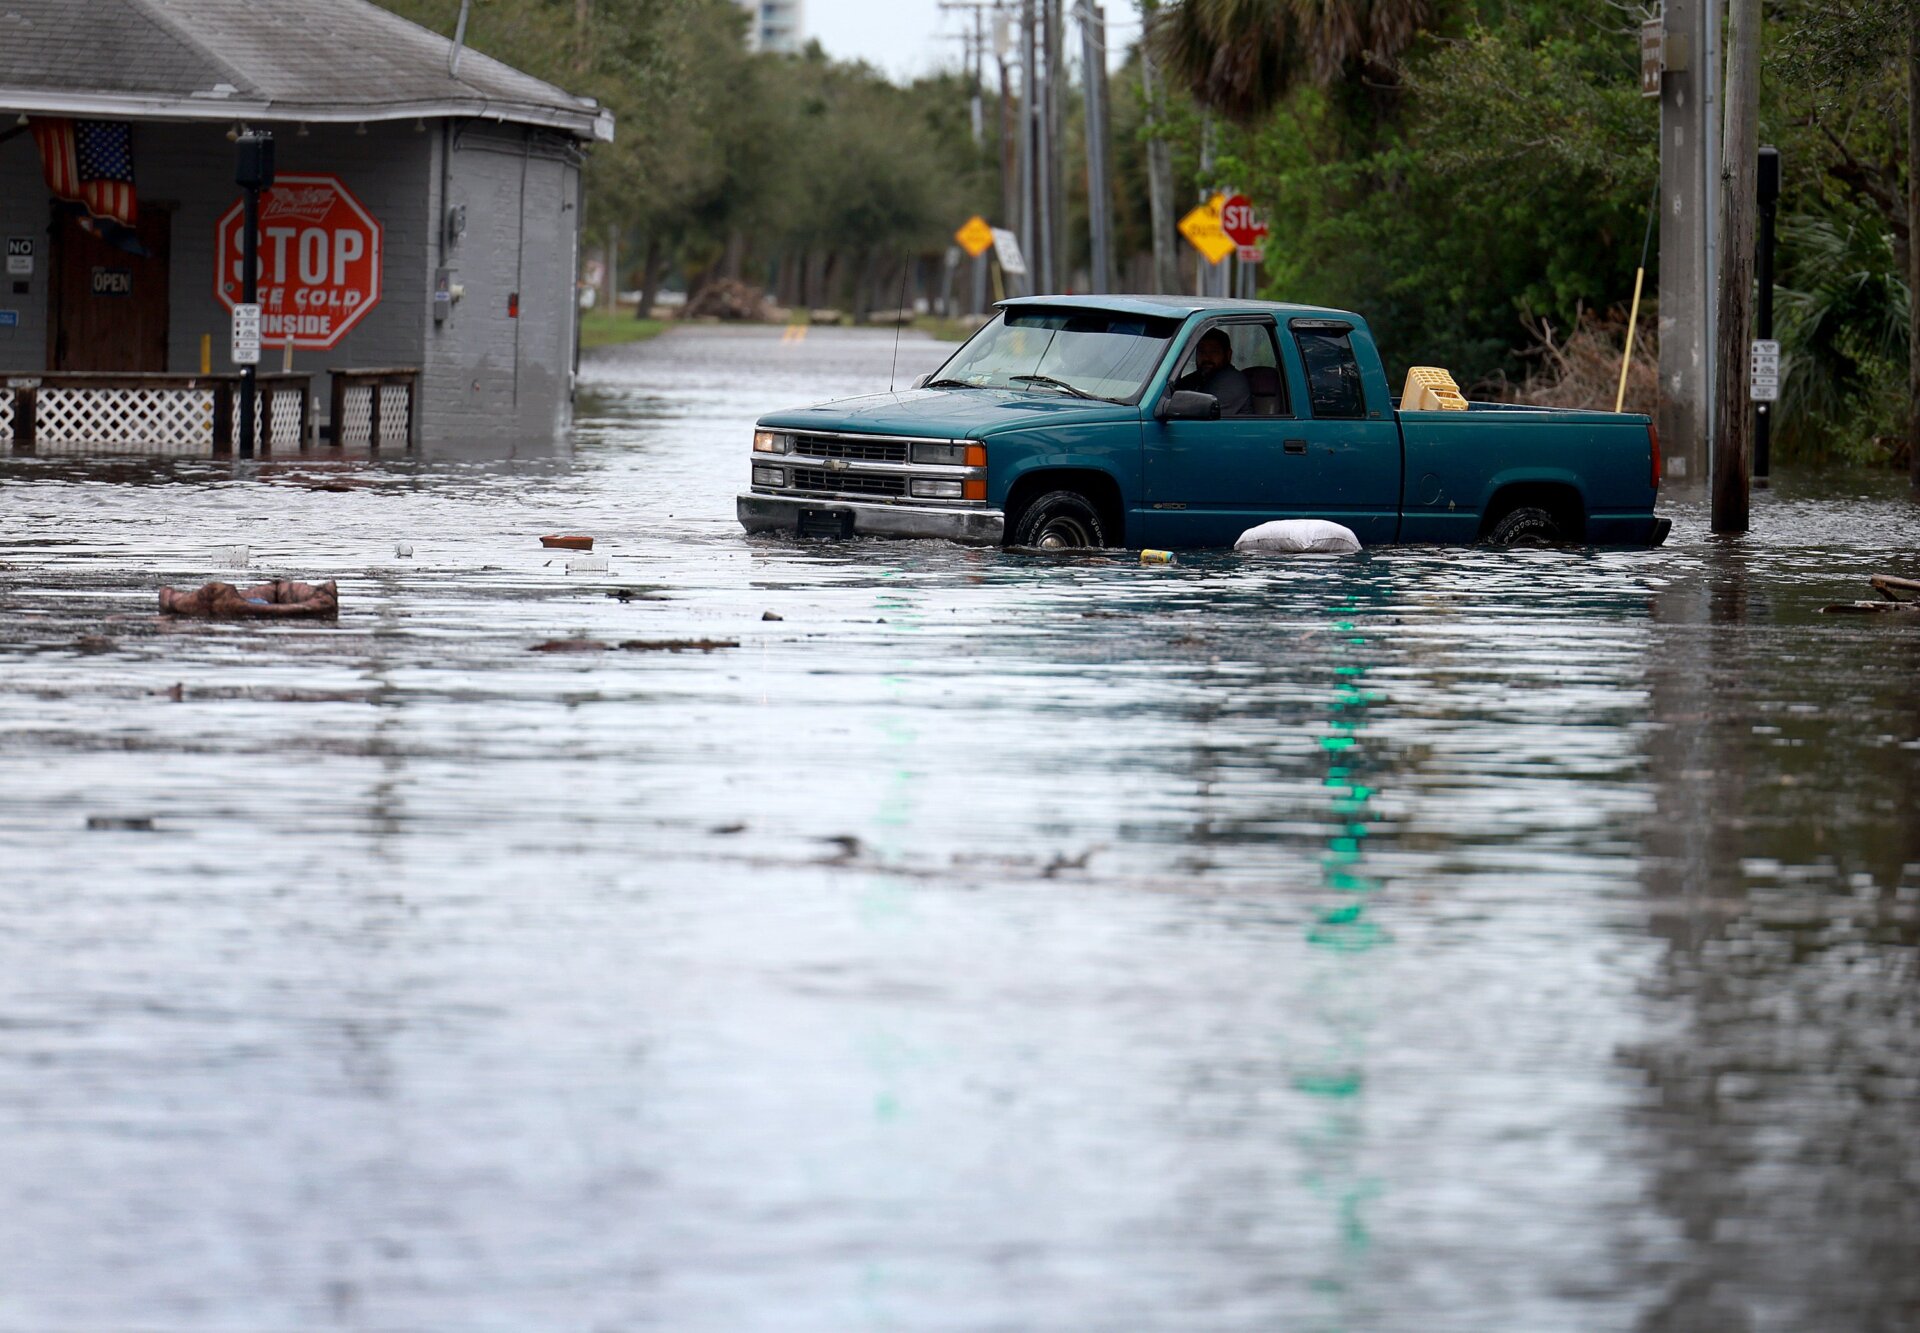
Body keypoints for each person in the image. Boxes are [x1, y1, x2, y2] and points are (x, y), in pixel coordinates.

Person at [1174, 328, 1251, 416]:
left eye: (1214, 351)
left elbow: (1200, 418)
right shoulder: (1193, 379)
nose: (1206, 358)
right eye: (1201, 351)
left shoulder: (1233, 382)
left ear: (1228, 355)